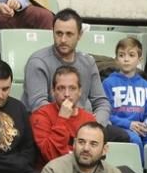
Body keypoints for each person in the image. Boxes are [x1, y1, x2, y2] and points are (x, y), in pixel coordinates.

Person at [22, 9, 123, 143]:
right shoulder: (38, 62)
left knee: (123, 136)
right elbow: (39, 105)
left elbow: (101, 102)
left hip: (82, 124)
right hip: (51, 126)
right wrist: (71, 124)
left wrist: (94, 126)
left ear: (80, 35)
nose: (63, 40)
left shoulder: (88, 62)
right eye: (58, 33)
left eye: (69, 34)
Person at [103, 37, 147, 152]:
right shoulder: (108, 83)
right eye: (121, 55)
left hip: (141, 129)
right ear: (116, 59)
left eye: (131, 55)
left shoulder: (146, 85)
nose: (126, 59)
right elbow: (107, 114)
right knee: (134, 139)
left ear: (139, 59)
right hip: (121, 129)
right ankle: (140, 170)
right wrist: (129, 124)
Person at [31, 66, 98, 165]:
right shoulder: (41, 115)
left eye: (72, 88)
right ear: (53, 91)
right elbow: (50, 156)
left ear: (80, 91)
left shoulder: (88, 119)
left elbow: (95, 156)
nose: (67, 94)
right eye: (61, 88)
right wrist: (62, 119)